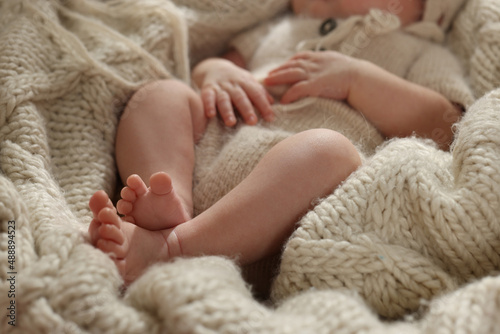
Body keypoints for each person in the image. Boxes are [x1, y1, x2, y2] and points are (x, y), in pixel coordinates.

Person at [88, 0, 469, 285]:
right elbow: (213, 66)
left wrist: (358, 79)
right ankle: (167, 201)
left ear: (430, 12)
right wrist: (217, 72)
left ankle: (174, 249)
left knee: (328, 151)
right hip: (207, 150)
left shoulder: (421, 50)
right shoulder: (279, 30)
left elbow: (446, 122)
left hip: (283, 200)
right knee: (162, 95)